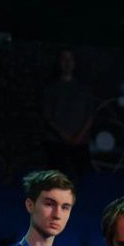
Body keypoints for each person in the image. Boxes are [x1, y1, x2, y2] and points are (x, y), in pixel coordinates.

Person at [41, 49, 95, 179]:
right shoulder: (50, 88)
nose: (67, 63)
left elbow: (90, 115)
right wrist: (65, 137)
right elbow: (48, 118)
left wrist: (78, 137)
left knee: (84, 179)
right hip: (56, 143)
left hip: (80, 143)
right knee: (55, 181)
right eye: (64, 59)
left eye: (70, 59)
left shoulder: (84, 88)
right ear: (59, 63)